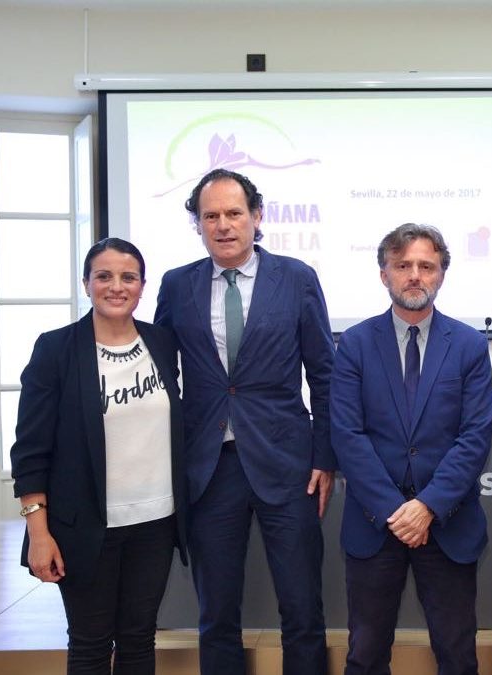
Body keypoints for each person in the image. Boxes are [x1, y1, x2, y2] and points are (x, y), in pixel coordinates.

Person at [154, 168, 335, 675]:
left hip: (289, 465)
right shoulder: (177, 285)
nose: (223, 225)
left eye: (234, 213)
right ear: (198, 224)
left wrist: (325, 457)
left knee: (302, 610)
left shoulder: (296, 278)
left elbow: (324, 374)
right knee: (215, 616)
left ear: (257, 217)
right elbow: (163, 377)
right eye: (210, 216)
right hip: (210, 471)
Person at [11, 237, 188, 675]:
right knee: (90, 646)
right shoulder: (55, 349)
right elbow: (31, 449)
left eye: (128, 277)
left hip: (156, 523)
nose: (116, 286)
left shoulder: (162, 343)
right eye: (104, 276)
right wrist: (39, 532)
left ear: (142, 286)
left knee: (139, 639)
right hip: (85, 527)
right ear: (86, 283)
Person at [330, 223, 492, 675]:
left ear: (442, 274)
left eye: (426, 265)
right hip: (373, 525)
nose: (415, 275)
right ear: (384, 274)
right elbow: (347, 433)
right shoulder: (355, 345)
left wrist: (427, 507)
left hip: (447, 524)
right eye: (403, 266)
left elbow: (475, 434)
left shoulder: (469, 345)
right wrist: (394, 510)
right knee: (364, 655)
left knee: (458, 655)